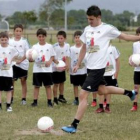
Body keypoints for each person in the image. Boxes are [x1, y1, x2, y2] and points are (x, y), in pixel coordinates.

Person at [61, 5, 140, 133]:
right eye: (88, 19)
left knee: (82, 95)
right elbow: (84, 48)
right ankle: (130, 93)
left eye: (91, 19)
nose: (89, 21)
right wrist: (77, 64)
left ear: (99, 17)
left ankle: (73, 125)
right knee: (102, 90)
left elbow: (125, 37)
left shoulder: (107, 29)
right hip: (90, 68)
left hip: (98, 68)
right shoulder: (87, 29)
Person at [30, 28, 55, 107]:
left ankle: (49, 102)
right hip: (37, 70)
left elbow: (52, 56)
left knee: (48, 86)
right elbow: (31, 58)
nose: (41, 38)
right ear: (37, 37)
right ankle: (35, 102)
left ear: (45, 36)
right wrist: (30, 59)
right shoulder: (34, 47)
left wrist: (50, 62)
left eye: (43, 36)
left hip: (47, 70)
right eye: (40, 36)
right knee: (36, 86)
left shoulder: (49, 46)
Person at [95, 45, 120, 113]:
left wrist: (117, 72)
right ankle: (100, 107)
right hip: (101, 73)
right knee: (100, 89)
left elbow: (117, 60)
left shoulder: (113, 48)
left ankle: (107, 107)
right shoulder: (100, 48)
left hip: (110, 73)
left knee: (109, 90)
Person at [9, 24, 30, 105]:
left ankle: (23, 99)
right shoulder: (10, 41)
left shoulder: (24, 41)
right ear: (14, 31)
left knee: (23, 81)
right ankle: (11, 98)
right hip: (13, 64)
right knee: (12, 81)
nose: (18, 33)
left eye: (20, 31)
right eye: (17, 31)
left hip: (23, 64)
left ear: (22, 32)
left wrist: (21, 60)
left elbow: (27, 53)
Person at [0, 32, 19, 112]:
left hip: (8, 73)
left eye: (5, 39)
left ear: (8, 39)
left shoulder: (11, 48)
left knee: (8, 90)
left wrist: (11, 59)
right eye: (2, 40)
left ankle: (8, 105)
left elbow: (17, 53)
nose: (4, 41)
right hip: (0, 73)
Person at [52, 31, 70, 105]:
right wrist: (56, 62)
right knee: (56, 84)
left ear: (65, 38)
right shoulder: (54, 46)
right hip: (55, 68)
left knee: (62, 82)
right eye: (58, 38)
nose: (59, 40)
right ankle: (55, 99)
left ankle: (61, 97)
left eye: (61, 38)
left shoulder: (67, 46)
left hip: (62, 67)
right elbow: (52, 56)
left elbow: (67, 56)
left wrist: (67, 65)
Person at [70, 31, 87, 105]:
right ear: (74, 39)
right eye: (76, 37)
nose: (77, 39)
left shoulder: (84, 47)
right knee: (75, 85)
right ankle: (76, 99)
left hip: (83, 71)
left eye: (79, 37)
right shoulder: (71, 48)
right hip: (74, 71)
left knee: (84, 86)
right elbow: (69, 58)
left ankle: (84, 100)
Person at [129, 27, 140, 111]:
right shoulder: (135, 44)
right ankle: (135, 105)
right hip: (137, 70)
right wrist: (131, 61)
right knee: (136, 87)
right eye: (138, 34)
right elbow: (134, 55)